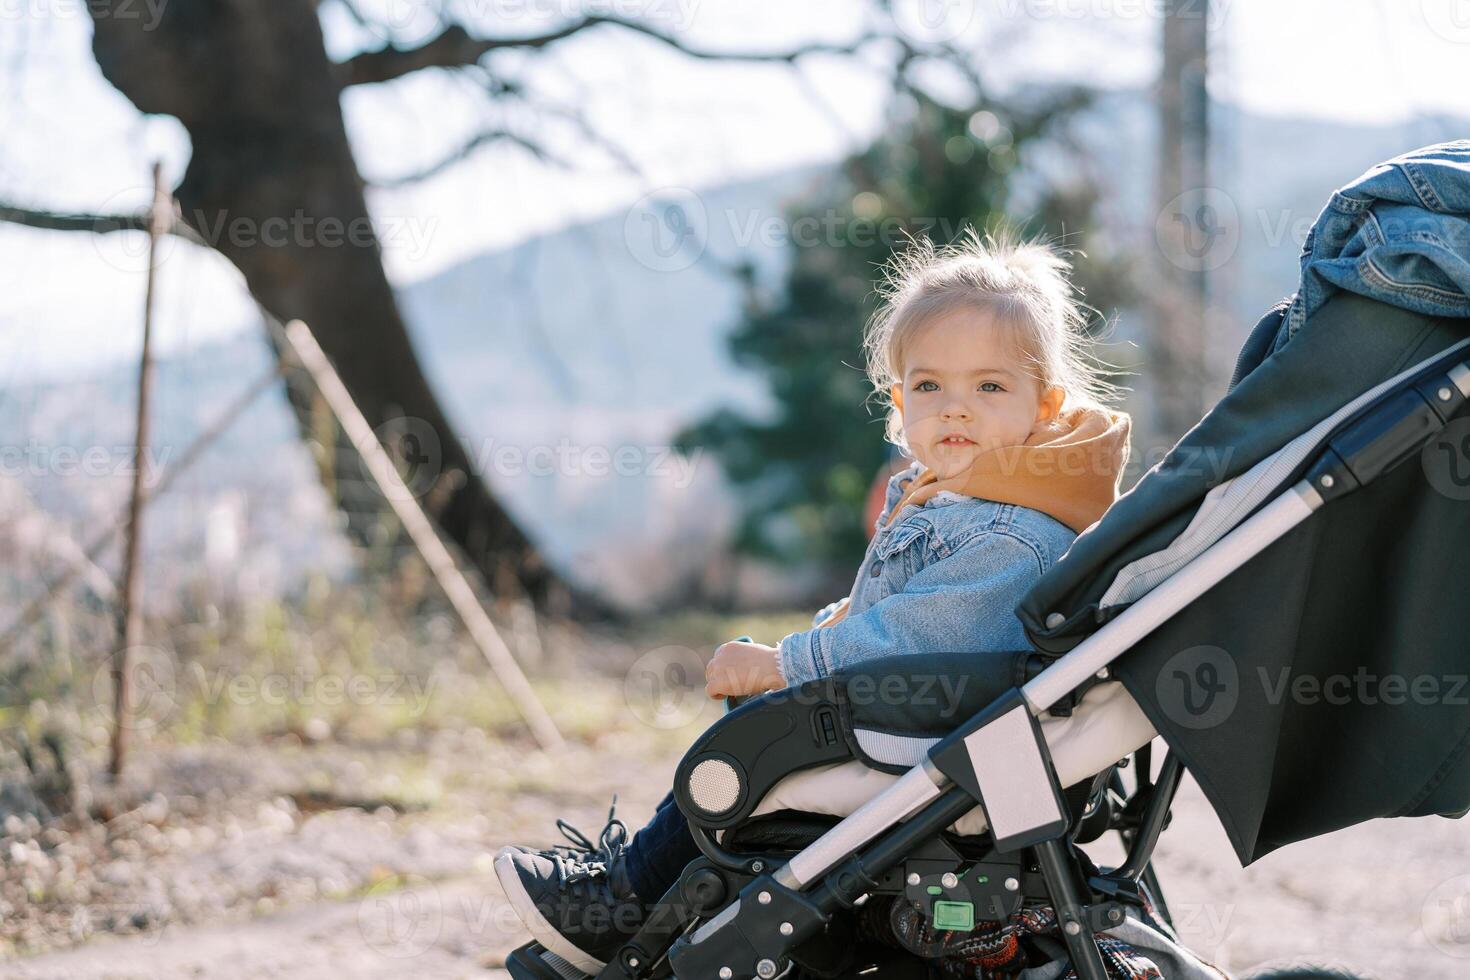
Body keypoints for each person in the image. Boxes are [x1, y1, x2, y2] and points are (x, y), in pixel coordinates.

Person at [494, 229, 1132, 974]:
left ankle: (619, 911)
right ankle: (651, 906)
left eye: (989, 387)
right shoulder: (964, 495)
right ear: (899, 400)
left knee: (745, 757)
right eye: (930, 387)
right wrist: (823, 633)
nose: (955, 410)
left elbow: (922, 634)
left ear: (1045, 403)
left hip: (929, 733)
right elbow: (892, 606)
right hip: (919, 716)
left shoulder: (1011, 531)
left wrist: (787, 664)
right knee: (752, 742)